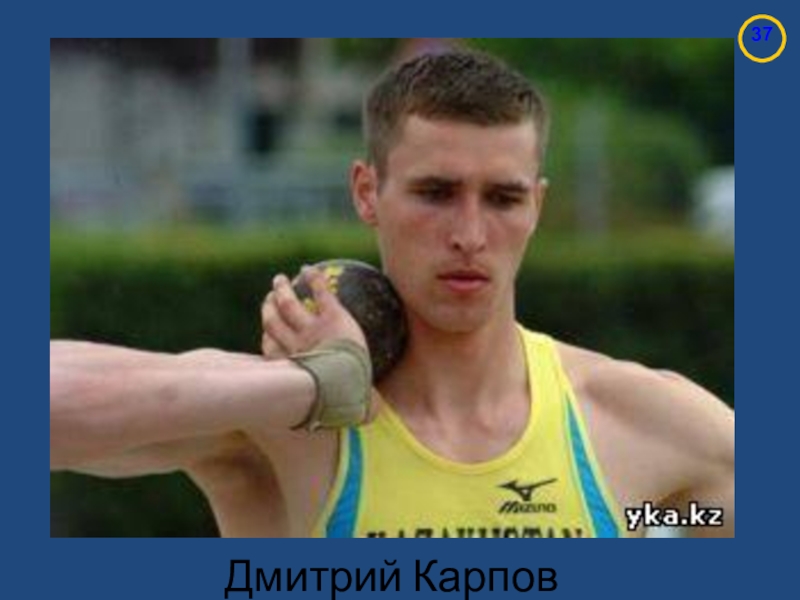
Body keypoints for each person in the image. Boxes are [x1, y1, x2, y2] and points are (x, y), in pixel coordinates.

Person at [51, 50, 734, 538]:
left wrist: (648, 522)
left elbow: (698, 526)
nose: (470, 234)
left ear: (538, 206)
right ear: (367, 192)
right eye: (436, 193)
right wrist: (314, 387)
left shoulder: (638, 423)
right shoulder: (276, 429)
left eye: (503, 198)